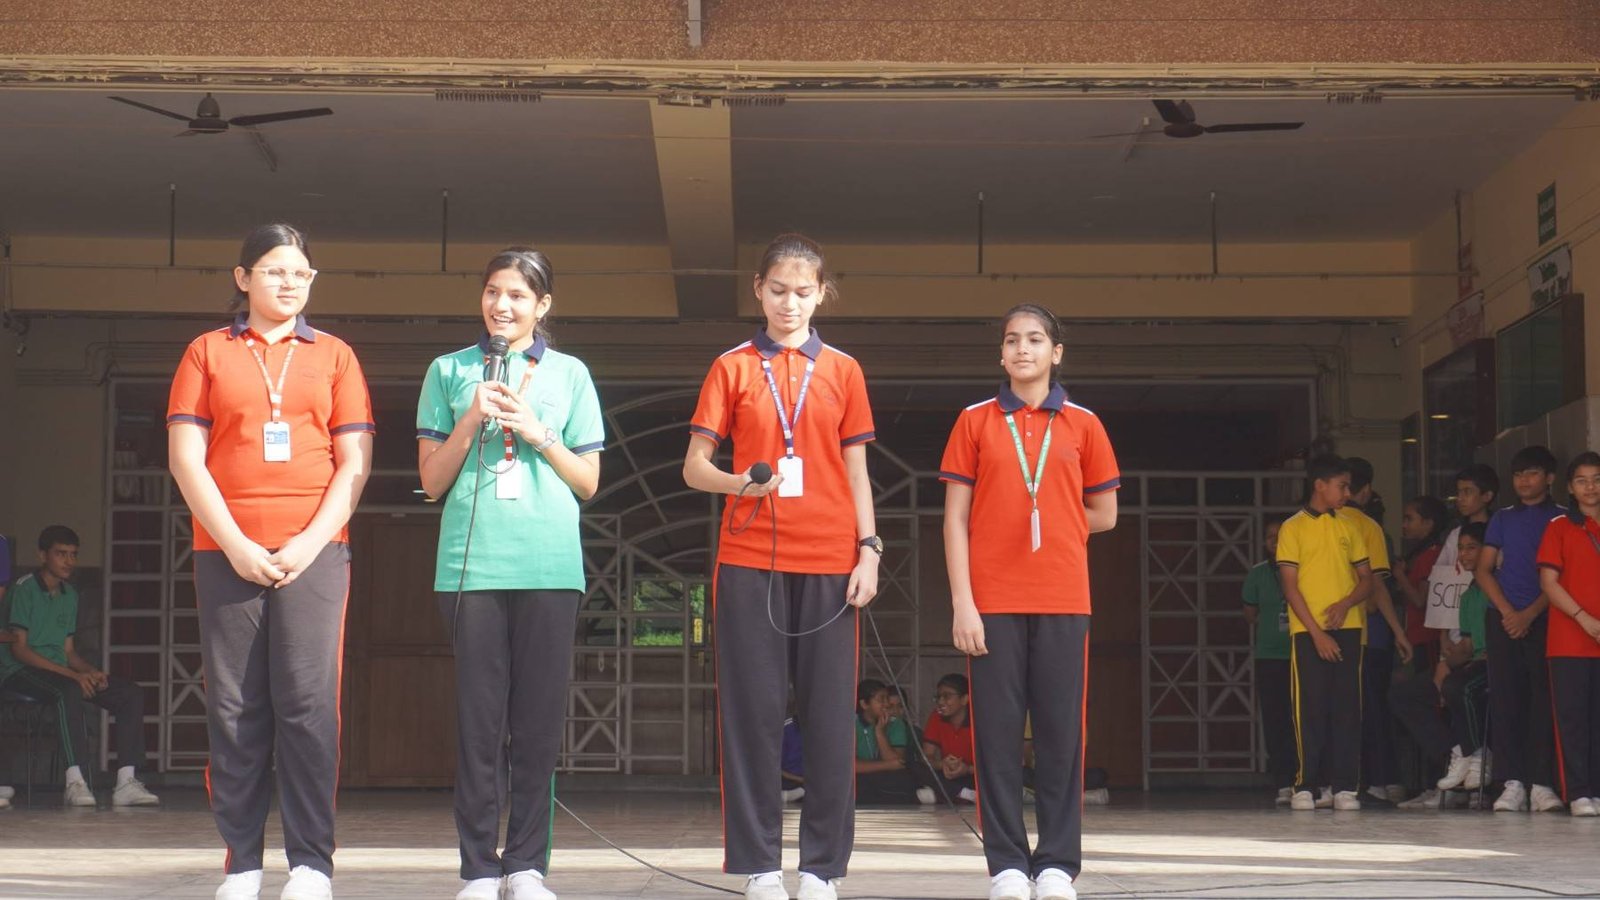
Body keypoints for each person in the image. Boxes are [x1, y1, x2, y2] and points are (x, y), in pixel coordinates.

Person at [168, 223, 374, 900]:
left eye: (300, 273)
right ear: (243, 278)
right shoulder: (206, 352)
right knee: (235, 707)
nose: (289, 283)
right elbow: (187, 458)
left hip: (317, 553)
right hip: (225, 550)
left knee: (309, 705)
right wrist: (235, 543)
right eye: (275, 271)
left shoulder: (336, 356)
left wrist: (308, 543)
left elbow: (354, 464)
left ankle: (311, 865)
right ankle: (243, 864)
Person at [683, 233, 880, 900]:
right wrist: (739, 483)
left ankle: (821, 869)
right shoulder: (732, 367)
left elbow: (857, 470)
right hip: (750, 560)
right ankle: (760, 866)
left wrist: (870, 549)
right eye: (777, 290)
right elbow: (695, 467)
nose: (789, 303)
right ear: (757, 291)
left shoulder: (845, 370)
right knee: (753, 717)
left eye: (802, 292)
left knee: (829, 719)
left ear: (821, 294)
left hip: (831, 561)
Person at [417, 248, 605, 900]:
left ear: (542, 305)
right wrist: (472, 417)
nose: (503, 305)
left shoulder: (571, 374)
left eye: (519, 295)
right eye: (493, 291)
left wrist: (536, 431)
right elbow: (431, 480)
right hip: (470, 568)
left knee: (537, 725)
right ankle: (477, 867)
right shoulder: (448, 370)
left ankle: (526, 865)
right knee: (478, 724)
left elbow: (588, 482)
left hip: (548, 567)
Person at [941, 302, 1120, 900]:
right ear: (1001, 354)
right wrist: (963, 603)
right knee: (995, 736)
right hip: (991, 601)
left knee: (1059, 737)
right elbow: (955, 519)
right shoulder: (974, 421)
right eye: (1013, 340)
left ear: (1056, 352)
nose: (1023, 349)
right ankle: (1008, 867)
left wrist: (1055, 519)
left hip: (1064, 598)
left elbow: (1105, 513)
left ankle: (1057, 865)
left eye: (1036, 339)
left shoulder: (1084, 424)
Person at [0, 525, 159, 809]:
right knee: (70, 690)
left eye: (73, 554)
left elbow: (69, 651)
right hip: (20, 672)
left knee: (129, 693)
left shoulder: (70, 594)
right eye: (61, 554)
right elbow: (19, 649)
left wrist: (89, 671)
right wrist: (74, 676)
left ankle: (126, 781)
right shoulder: (24, 589)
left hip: (60, 672)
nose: (69, 561)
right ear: (42, 555)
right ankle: (76, 781)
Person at [1277, 454, 1373, 811]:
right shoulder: (1293, 528)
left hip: (1348, 628)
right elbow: (1290, 587)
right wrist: (1317, 633)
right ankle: (1306, 784)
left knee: (1347, 708)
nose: (1347, 493)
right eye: (1342, 486)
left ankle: (1345, 785)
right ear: (1320, 485)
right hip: (1307, 631)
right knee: (1310, 707)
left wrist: (1346, 604)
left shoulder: (1350, 527)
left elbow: (1367, 580)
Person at [1478, 445, 1564, 813]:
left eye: (1532, 473)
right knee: (1505, 698)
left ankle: (1542, 782)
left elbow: (1564, 576)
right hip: (1503, 618)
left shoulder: (1563, 518)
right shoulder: (1502, 518)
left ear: (1550, 477)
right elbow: (1483, 570)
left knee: (1544, 700)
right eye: (1518, 474)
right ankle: (1511, 782)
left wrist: (1529, 614)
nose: (1524, 481)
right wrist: (1509, 613)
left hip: (1547, 617)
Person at [1391, 523, 1490, 809]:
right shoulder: (1468, 592)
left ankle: (1475, 755)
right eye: (1461, 548)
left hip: (1490, 665)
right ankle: (1456, 752)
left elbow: (1481, 646)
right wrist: (1446, 661)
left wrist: (1449, 665)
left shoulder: (1494, 587)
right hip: (1465, 661)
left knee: (1455, 687)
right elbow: (1466, 642)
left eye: (1472, 548)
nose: (1464, 554)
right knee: (1405, 696)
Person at [1340, 459, 1412, 805]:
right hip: (1373, 635)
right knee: (1375, 708)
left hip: (1335, 631)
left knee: (1342, 708)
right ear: (1366, 489)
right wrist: (1399, 631)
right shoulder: (1370, 527)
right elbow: (1378, 588)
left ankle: (1346, 780)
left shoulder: (1321, 524)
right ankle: (1382, 778)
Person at [1536, 451, 1600, 817]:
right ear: (1570, 488)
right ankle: (1578, 792)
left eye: (1597, 479)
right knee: (1573, 720)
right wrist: (1583, 618)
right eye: (1581, 480)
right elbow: (1549, 583)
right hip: (1569, 640)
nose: (1590, 487)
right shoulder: (1558, 526)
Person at [1242, 520, 1296, 804]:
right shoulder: (1258, 573)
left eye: (1280, 535)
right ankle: (1284, 782)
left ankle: (1307, 779)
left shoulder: (1304, 569)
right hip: (1270, 656)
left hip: (1300, 654)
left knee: (1303, 719)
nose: (1274, 540)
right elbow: (1250, 614)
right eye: (1269, 536)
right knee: (1276, 721)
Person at [853, 679, 928, 805]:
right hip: (861, 777)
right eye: (881, 700)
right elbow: (850, 766)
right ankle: (912, 797)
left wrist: (880, 733)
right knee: (855, 784)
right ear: (864, 704)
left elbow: (897, 763)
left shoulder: (896, 723)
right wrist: (886, 765)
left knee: (904, 778)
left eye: (887, 699)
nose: (887, 704)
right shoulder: (850, 724)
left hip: (886, 777)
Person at [1396, 495, 1450, 668]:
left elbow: (1420, 600)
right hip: (1417, 634)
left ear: (1428, 523)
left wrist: (1400, 576)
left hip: (1427, 636)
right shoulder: (1420, 555)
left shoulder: (1430, 556)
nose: (1404, 525)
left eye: (1409, 519)